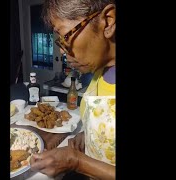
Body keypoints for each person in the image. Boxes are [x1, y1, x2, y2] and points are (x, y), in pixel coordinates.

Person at [30, 0, 116, 179]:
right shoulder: (101, 70)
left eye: (65, 36)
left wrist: (77, 161)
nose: (62, 51)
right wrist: (88, 136)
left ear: (108, 21)